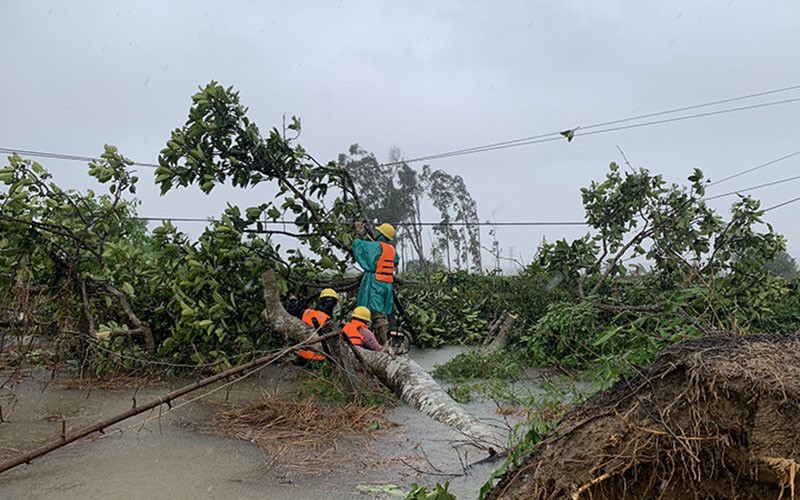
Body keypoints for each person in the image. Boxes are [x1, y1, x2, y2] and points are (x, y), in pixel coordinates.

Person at [353, 221, 397, 344]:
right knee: (382, 313)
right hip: (387, 284)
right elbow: (395, 260)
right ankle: (380, 340)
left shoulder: (376, 246)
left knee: (377, 315)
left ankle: (385, 344)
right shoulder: (391, 250)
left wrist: (358, 232)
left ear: (382, 235)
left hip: (375, 283)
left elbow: (358, 246)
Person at [287, 288, 340, 363]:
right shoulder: (328, 321)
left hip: (303, 356)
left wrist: (293, 301)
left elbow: (293, 311)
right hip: (319, 359)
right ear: (333, 304)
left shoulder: (307, 313)